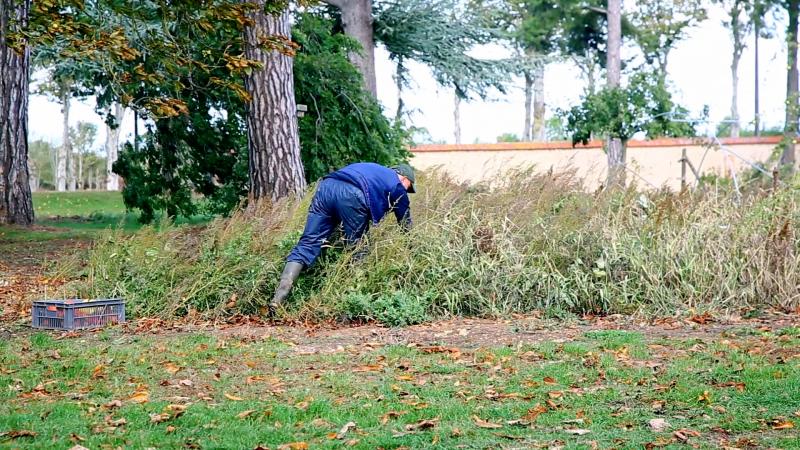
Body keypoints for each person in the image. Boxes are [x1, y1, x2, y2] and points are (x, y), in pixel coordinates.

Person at [269, 162, 416, 313]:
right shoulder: (398, 185)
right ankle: (352, 304)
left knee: (307, 243)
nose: (407, 190)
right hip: (353, 194)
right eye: (409, 186)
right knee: (358, 249)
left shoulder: (372, 169)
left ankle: (278, 299)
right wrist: (413, 249)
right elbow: (405, 223)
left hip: (326, 187)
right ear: (404, 179)